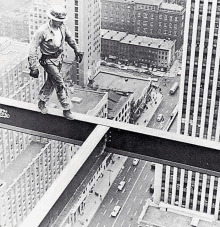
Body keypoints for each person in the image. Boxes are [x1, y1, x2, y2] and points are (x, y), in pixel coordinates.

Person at [28, 5, 83, 120]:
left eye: (61, 21)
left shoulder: (62, 27)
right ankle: (67, 109)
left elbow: (70, 38)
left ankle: (42, 102)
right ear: (52, 19)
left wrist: (77, 50)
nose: (60, 23)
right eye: (58, 21)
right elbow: (33, 48)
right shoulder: (42, 31)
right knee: (59, 82)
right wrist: (33, 66)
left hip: (59, 58)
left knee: (51, 81)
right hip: (47, 60)